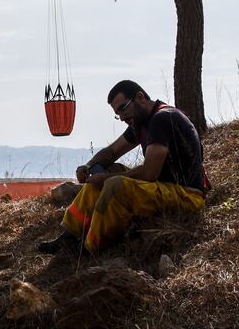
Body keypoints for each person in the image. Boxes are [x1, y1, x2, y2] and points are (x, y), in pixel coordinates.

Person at [38, 80, 207, 255]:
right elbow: (112, 152)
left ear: (140, 97)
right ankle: (70, 236)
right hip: (163, 187)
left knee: (114, 184)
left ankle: (91, 246)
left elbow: (150, 172)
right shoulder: (141, 122)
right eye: (118, 113)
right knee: (109, 171)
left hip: (187, 195)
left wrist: (105, 179)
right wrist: (89, 166)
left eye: (123, 108)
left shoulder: (163, 118)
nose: (122, 117)